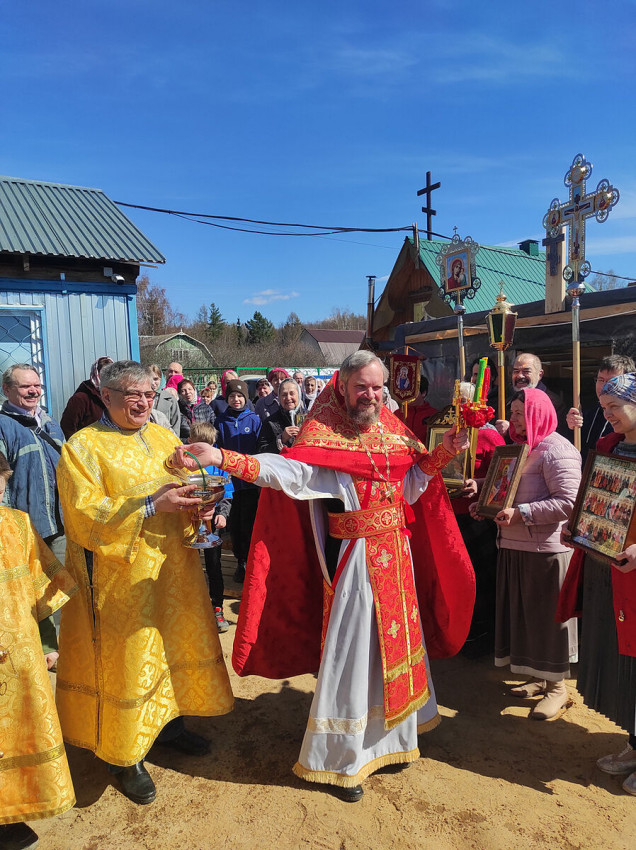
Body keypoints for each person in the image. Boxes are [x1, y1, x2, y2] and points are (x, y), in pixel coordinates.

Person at [171, 351, 474, 802]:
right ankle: (343, 759)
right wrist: (222, 456)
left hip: (398, 557)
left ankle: (394, 741)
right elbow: (291, 473)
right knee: (354, 657)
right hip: (357, 563)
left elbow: (410, 486)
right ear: (343, 389)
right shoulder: (327, 439)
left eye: (376, 387)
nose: (369, 395)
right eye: (360, 387)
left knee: (395, 648)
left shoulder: (394, 435)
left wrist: (446, 450)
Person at [55, 361, 234, 806]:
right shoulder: (83, 447)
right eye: (133, 394)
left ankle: (169, 726)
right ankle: (124, 756)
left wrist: (203, 507)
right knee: (130, 659)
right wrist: (151, 508)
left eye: (149, 394)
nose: (143, 402)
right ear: (107, 396)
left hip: (173, 571)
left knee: (170, 647)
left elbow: (188, 484)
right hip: (123, 581)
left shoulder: (162, 436)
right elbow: (82, 517)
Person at [472, 388, 581, 719]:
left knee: (548, 622)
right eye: (514, 413)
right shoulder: (519, 449)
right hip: (514, 544)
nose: (514, 419)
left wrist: (523, 513)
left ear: (537, 413)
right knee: (525, 618)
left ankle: (558, 688)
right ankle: (538, 677)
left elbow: (570, 502)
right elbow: (503, 493)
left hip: (546, 551)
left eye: (520, 413)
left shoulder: (557, 450)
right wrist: (484, 503)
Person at [559, 372, 636, 796]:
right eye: (603, 409)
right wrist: (578, 529)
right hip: (607, 571)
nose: (607, 416)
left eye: (614, 408)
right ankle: (634, 742)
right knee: (620, 660)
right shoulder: (608, 446)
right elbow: (594, 500)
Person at [0, 452, 78, 850]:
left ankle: (10, 811)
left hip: (21, 649)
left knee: (21, 730)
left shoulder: (16, 523)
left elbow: (41, 583)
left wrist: (50, 642)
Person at [452, 382, 505, 656]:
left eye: (466, 402)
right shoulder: (450, 434)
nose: (461, 407)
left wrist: (481, 486)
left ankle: (485, 632)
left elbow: (503, 474)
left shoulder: (490, 436)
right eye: (458, 402)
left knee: (483, 576)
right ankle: (466, 628)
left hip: (480, 517)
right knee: (461, 575)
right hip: (454, 516)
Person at [0, 363, 65, 562]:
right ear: (6, 389)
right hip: (22, 530)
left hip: (60, 527)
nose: (33, 391)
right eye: (25, 386)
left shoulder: (51, 423)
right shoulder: (3, 426)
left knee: (65, 587)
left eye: (37, 386)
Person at [216, 379, 261, 584]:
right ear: (227, 398)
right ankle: (240, 562)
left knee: (250, 524)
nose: (236, 400)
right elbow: (218, 450)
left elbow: (261, 448)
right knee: (236, 526)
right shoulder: (221, 421)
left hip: (251, 483)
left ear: (246, 398)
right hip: (232, 484)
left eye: (240, 396)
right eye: (232, 396)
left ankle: (253, 562)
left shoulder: (254, 420)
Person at [188, 422, 232, 633]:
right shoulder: (183, 465)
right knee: (189, 568)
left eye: (208, 446)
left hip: (211, 525)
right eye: (198, 446)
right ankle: (190, 609)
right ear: (190, 443)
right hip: (188, 526)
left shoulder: (217, 466)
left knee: (214, 567)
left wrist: (222, 514)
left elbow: (227, 494)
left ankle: (217, 607)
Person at [566, 355, 635, 460]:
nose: (604, 386)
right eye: (601, 380)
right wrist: (572, 428)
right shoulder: (588, 414)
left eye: (612, 381)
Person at [495, 353, 569, 438]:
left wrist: (511, 430)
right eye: (516, 371)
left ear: (540, 374)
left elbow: (552, 435)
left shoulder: (554, 403)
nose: (519, 376)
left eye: (526, 371)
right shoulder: (506, 401)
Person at [60, 355, 113, 438]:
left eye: (111, 374)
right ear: (96, 374)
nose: (108, 378)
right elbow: (67, 427)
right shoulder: (81, 398)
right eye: (104, 374)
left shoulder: (116, 395)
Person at [256, 378, 306, 454]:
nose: (288, 398)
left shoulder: (309, 419)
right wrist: (281, 439)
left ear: (298, 395)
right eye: (284, 395)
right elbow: (261, 451)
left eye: (292, 394)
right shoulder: (270, 422)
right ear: (279, 397)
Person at [395, 373, 437, 444]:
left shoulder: (434, 416)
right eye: (407, 391)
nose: (409, 394)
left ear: (423, 393)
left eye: (413, 392)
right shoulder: (397, 414)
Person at [150, 363, 180, 434]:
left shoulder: (170, 398)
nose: (153, 383)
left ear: (160, 379)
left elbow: (176, 425)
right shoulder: (139, 398)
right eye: (150, 379)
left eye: (156, 379)